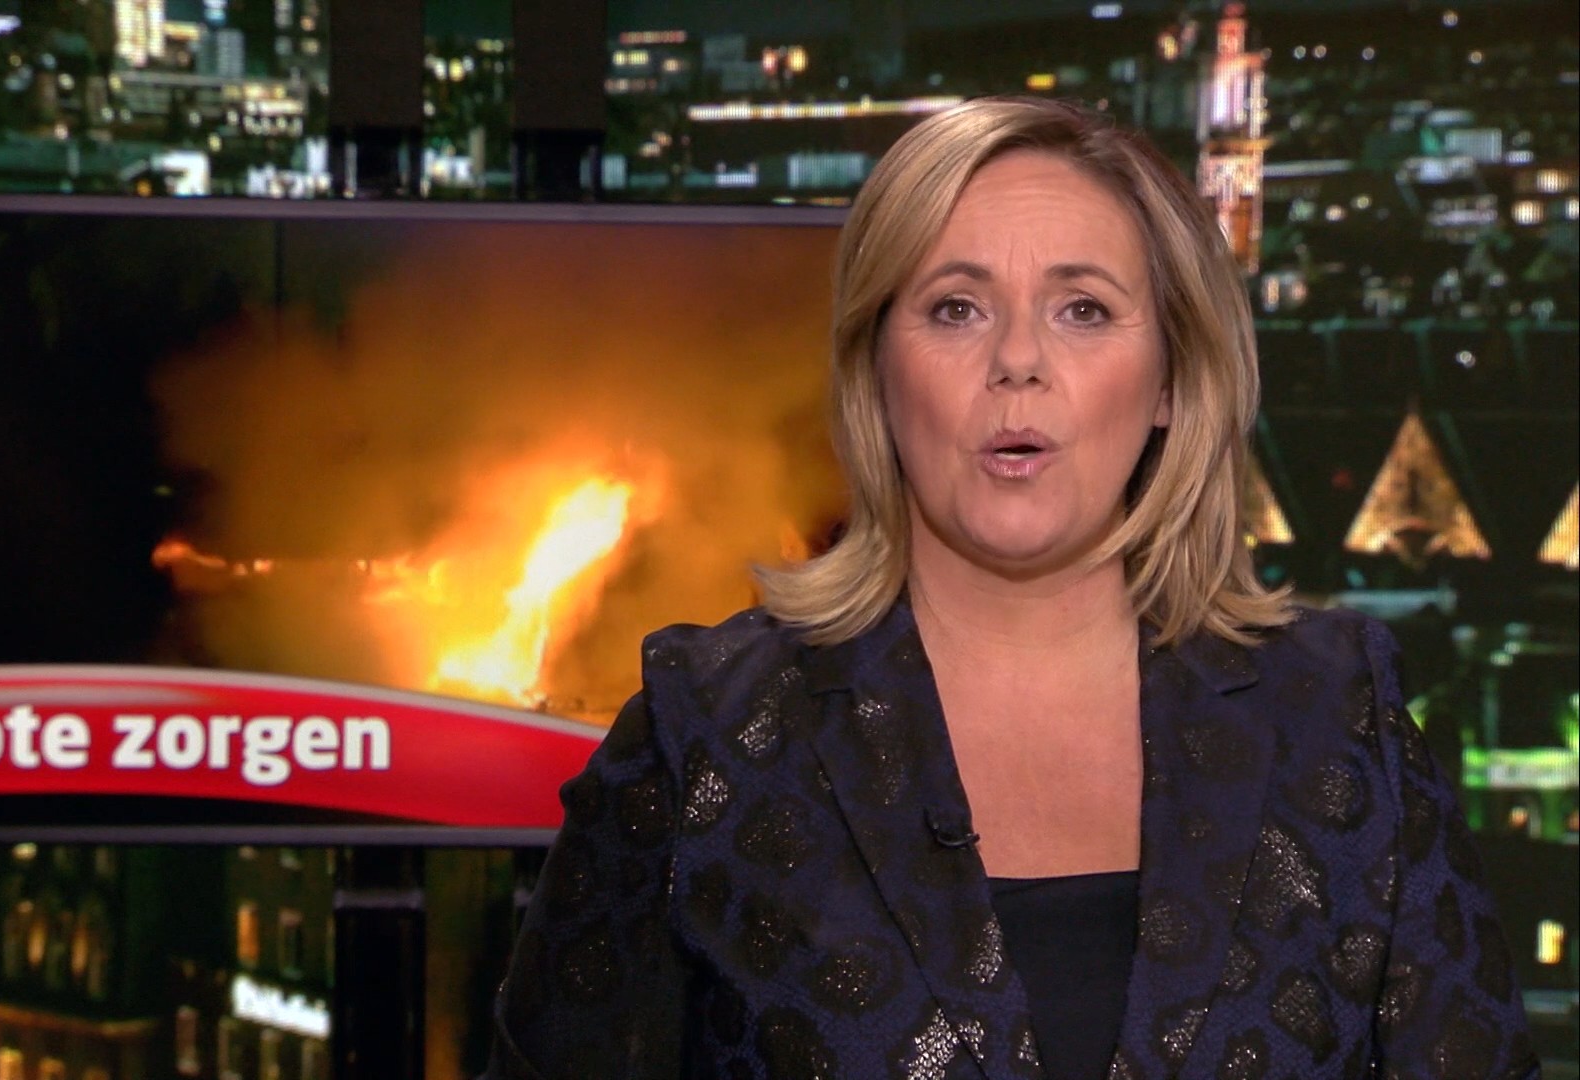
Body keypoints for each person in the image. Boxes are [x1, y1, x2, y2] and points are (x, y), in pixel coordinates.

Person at [484, 97, 1539, 1080]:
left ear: (1172, 379)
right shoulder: (705, 733)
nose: (1019, 360)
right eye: (955, 309)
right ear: (875, 372)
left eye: (1083, 309)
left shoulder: (1336, 717)